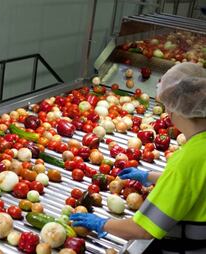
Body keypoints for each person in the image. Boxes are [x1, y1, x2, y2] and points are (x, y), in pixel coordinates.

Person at [70, 62, 206, 253]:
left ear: (175, 109)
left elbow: (142, 230)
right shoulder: (199, 149)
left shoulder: (186, 161)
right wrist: (149, 175)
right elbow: (194, 183)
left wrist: (101, 223)